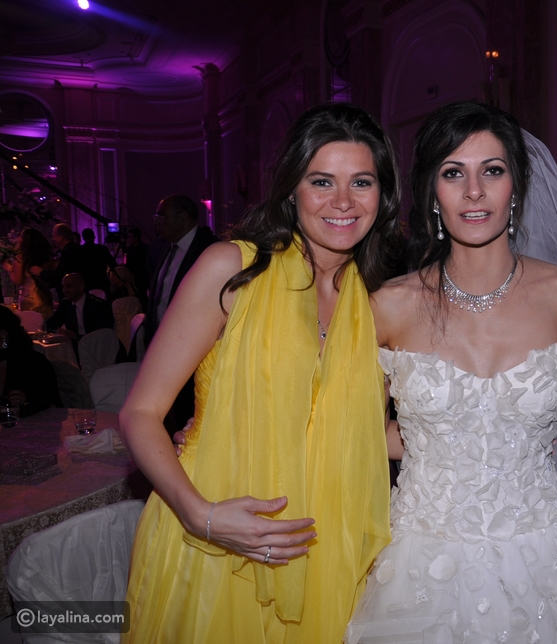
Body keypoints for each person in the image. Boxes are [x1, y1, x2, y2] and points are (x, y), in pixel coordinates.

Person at [120, 103, 402, 643]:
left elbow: (367, 431)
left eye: (361, 182)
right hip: (216, 537)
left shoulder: (376, 303)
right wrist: (200, 516)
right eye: (322, 181)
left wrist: (485, 435)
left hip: (326, 544)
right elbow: (141, 412)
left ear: (382, 196)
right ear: (292, 189)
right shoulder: (233, 269)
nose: (343, 201)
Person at [345, 102, 557, 643]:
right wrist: (437, 442)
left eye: (492, 170)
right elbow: (356, 433)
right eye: (453, 173)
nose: (474, 191)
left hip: (545, 555)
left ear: (516, 186)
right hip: (421, 557)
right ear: (432, 192)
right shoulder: (387, 306)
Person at [144, 194, 218, 433]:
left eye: (161, 216)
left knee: (191, 417)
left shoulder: (210, 249)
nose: (156, 222)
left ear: (182, 217)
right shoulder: (163, 249)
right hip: (163, 346)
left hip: (195, 351)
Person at [0, 306, 61, 417]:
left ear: (3, 334)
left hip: (29, 424)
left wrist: (26, 401)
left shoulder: (34, 363)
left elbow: (54, 405)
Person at [2, 227, 54, 319]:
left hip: (28, 298)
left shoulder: (21, 257)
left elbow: (18, 281)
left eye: (21, 236)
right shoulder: (43, 256)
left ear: (26, 241)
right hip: (43, 296)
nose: (18, 238)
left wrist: (10, 269)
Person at [44, 272, 114, 340]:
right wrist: (59, 331)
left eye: (69, 286)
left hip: (94, 345)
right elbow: (49, 325)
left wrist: (75, 337)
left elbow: (103, 335)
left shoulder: (98, 306)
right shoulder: (66, 304)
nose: (65, 290)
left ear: (81, 287)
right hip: (72, 346)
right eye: (63, 287)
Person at [38, 223, 83, 299]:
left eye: (54, 236)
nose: (53, 239)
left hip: (71, 293)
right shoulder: (69, 250)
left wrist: (41, 272)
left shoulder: (70, 252)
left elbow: (60, 274)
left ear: (61, 236)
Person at [79, 227, 116, 294]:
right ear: (94, 237)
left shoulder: (79, 250)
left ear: (83, 238)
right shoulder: (102, 249)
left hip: (86, 284)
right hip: (101, 282)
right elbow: (113, 264)